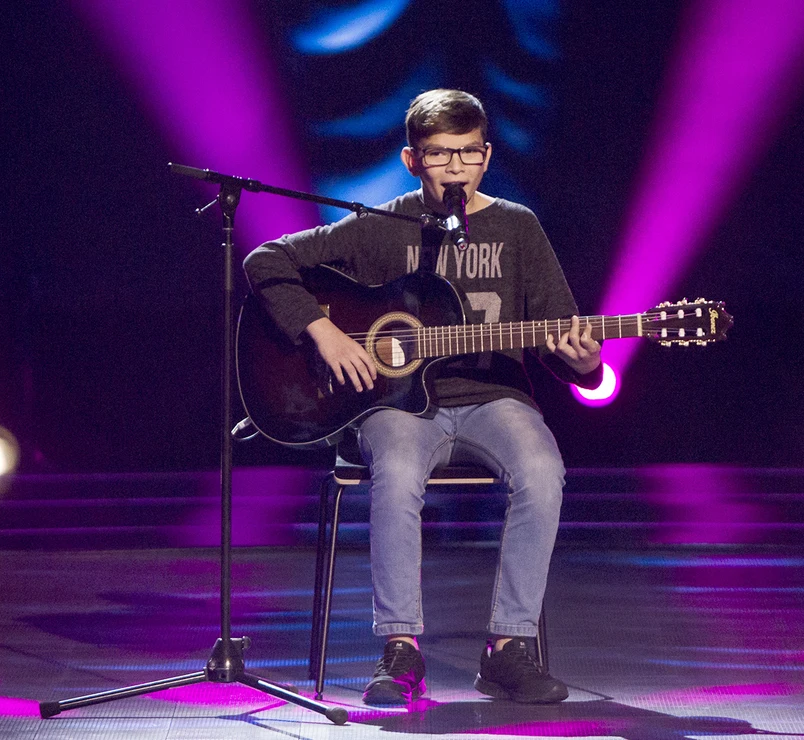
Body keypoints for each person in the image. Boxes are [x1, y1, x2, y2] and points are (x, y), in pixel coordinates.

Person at [243, 89, 602, 706]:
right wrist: (322, 330)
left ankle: (509, 648)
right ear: (412, 160)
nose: (456, 168)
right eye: (440, 154)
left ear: (487, 156)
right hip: (396, 404)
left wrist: (585, 362)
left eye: (468, 153)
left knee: (543, 470)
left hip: (495, 396)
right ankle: (402, 649)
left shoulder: (517, 227)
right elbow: (265, 258)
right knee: (400, 469)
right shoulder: (382, 225)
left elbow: (559, 336)